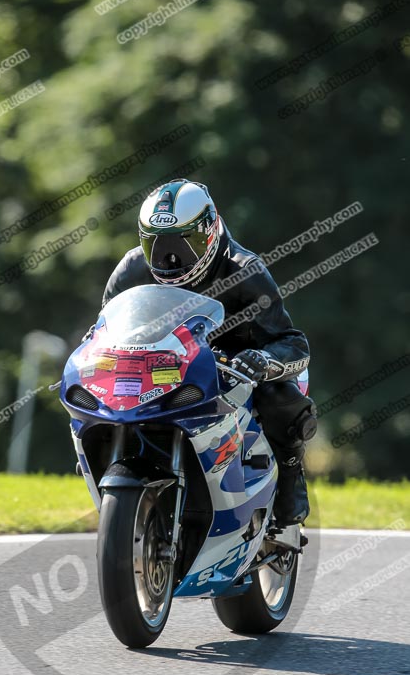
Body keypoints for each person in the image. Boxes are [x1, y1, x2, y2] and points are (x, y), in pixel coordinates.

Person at [100, 179, 317, 527]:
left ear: (211, 229)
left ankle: (291, 481)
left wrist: (262, 361)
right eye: (155, 243)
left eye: (186, 243)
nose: (170, 258)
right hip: (158, 365)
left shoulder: (244, 269)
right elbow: (103, 332)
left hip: (233, 366)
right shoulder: (131, 270)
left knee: (280, 398)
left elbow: (293, 343)